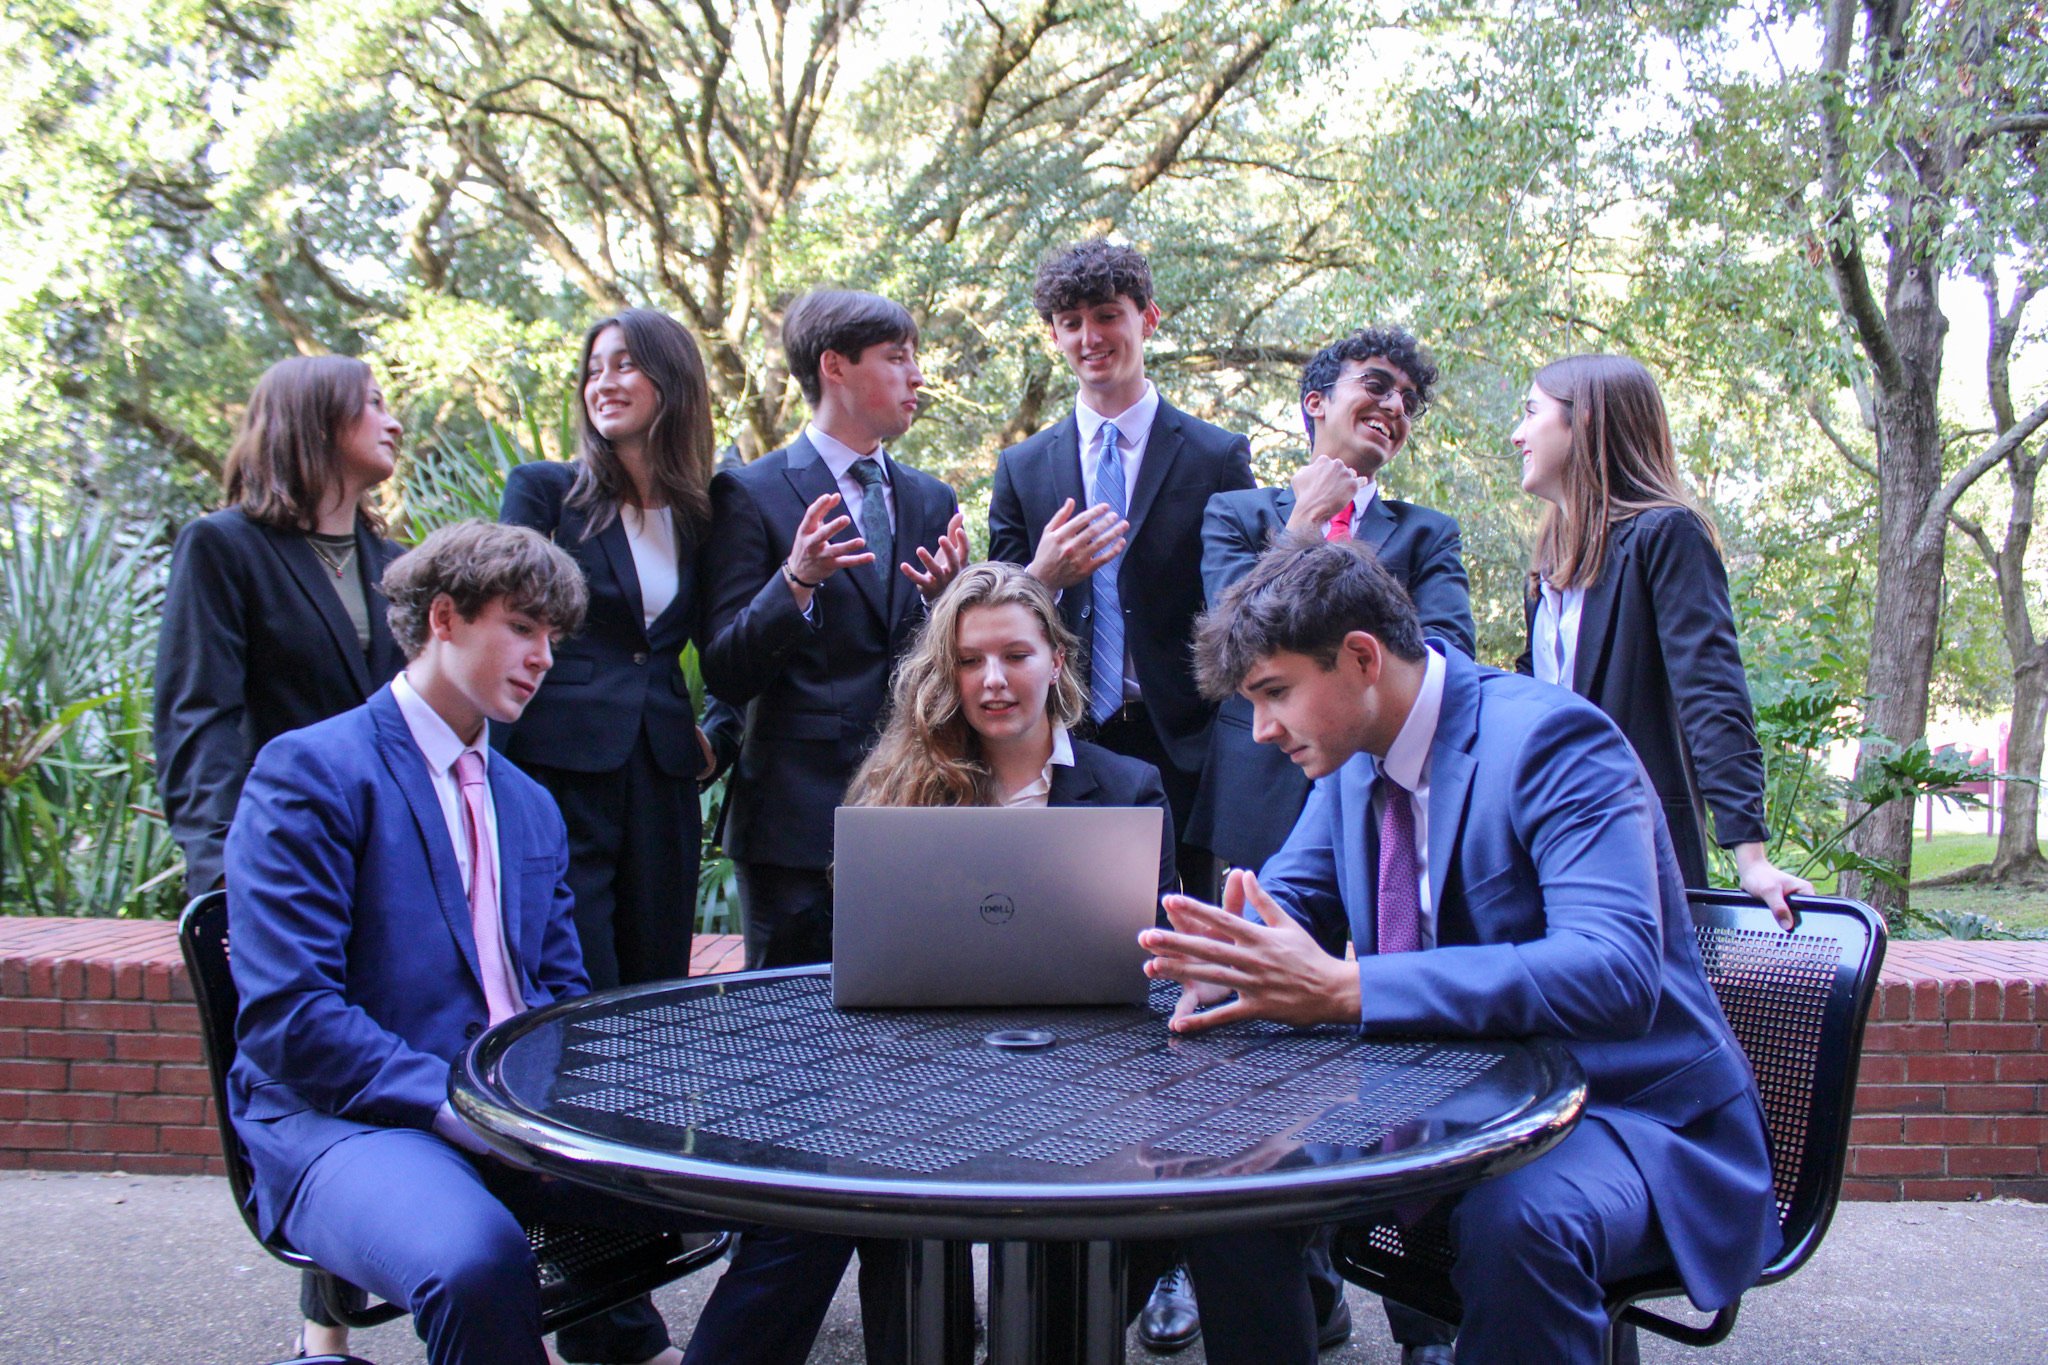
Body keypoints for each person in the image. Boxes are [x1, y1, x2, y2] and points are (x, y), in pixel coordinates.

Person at [224, 521, 854, 1365]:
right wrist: (466, 1106)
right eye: (522, 627)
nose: (544, 657)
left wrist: (650, 1094)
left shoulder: (528, 804)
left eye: (553, 637)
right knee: (479, 1263)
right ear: (444, 619)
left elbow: (561, 1002)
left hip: (521, 1118)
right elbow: (290, 1018)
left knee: (813, 1192)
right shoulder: (312, 772)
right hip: (350, 1123)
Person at [1140, 536, 1781, 1365]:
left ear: (1362, 658)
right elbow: (1289, 902)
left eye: (1275, 693)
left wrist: (1352, 988)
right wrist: (1228, 949)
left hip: (1621, 1113)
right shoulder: (1348, 763)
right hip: (1444, 1096)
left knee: (1518, 1219)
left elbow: (1613, 971)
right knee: (1226, 1177)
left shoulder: (1556, 744)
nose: (1262, 729)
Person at [1178, 326, 1475, 1360]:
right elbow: (1218, 646)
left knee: (1395, 1052)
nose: (1390, 407)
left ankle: (1426, 1319)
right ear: (1315, 401)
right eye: (1373, 387)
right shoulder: (1236, 513)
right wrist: (1300, 529)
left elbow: (1446, 656)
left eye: (1406, 400)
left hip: (1388, 812)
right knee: (1258, 1064)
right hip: (1260, 814)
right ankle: (1301, 1293)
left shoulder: (1423, 530)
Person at [151, 352, 407, 1356]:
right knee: (306, 1083)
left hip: (385, 871)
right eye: (374, 402)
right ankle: (323, 1344)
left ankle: (326, 1335)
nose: (391, 418)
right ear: (315, 418)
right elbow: (199, 718)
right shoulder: (224, 549)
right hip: (279, 874)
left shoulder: (394, 566)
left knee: (375, 1082)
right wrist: (221, 876)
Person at [700, 288, 968, 971]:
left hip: (913, 809)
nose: (916, 377)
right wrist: (795, 582)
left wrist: (947, 608)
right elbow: (727, 670)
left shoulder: (931, 499)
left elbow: (946, 667)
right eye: (896, 357)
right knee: (784, 1039)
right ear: (835, 367)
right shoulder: (749, 493)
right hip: (791, 825)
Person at [988, 239, 1254, 911]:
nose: (1090, 336)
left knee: (1177, 926)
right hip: (1059, 732)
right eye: (1071, 322)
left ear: (1148, 318)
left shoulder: (1217, 456)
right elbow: (992, 615)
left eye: (1107, 315)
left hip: (1181, 739)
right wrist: (1043, 575)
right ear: (1053, 335)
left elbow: (1240, 605)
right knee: (1055, 920)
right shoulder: (1022, 466)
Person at [1511, 354, 1809, 927]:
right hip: (1547, 838)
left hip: (1638, 846)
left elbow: (1711, 692)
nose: (1518, 433)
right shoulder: (1549, 566)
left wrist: (1751, 857)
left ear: (1588, 422)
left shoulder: (1667, 533)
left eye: (1531, 412)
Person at [498, 308, 743, 990]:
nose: (602, 382)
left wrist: (720, 735)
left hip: (662, 774)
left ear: (672, 380)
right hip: (557, 768)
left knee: (655, 977)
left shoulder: (705, 512)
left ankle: (644, 1102)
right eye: (592, 369)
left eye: (624, 364)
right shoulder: (545, 492)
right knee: (576, 974)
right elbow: (504, 623)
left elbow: (732, 643)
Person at [846, 560, 1175, 898]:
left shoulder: (1130, 794)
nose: (994, 680)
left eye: (1016, 656)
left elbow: (1156, 943)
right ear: (948, 672)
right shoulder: (901, 793)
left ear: (1056, 662)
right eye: (970, 661)